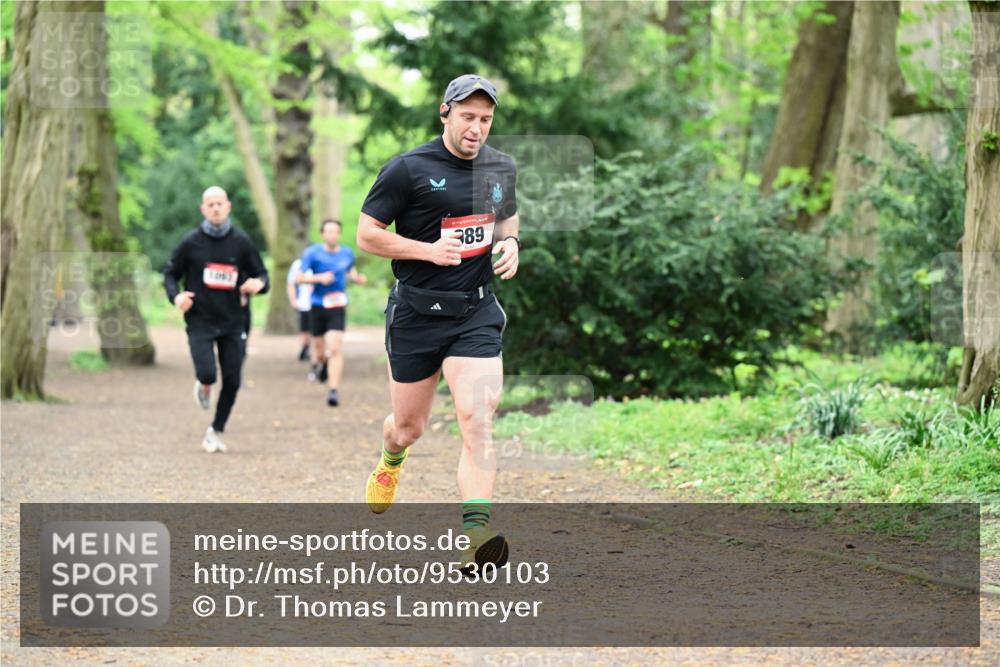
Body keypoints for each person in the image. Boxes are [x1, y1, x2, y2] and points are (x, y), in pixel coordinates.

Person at [356, 74, 520, 572]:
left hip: (474, 310)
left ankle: (476, 536)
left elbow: (506, 219)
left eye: (485, 119)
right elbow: (367, 235)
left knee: (478, 417)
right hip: (415, 314)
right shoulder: (408, 169)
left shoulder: (501, 168)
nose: (476, 128)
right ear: (444, 113)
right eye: (468, 117)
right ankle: (391, 458)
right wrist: (427, 250)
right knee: (409, 427)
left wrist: (511, 244)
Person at [163, 186, 269, 453]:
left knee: (233, 380)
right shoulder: (191, 242)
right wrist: (176, 297)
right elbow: (169, 274)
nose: (215, 208)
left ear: (228, 206)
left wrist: (258, 284)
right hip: (200, 320)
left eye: (219, 203)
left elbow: (263, 276)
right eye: (210, 204)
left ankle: (215, 431)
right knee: (208, 372)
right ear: (203, 209)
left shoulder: (241, 242)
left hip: (234, 322)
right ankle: (205, 383)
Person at [297, 219, 367, 406]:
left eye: (335, 231)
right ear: (322, 234)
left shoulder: (347, 253)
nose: (332, 235)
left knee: (335, 347)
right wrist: (319, 278)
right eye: (328, 231)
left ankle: (333, 390)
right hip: (318, 305)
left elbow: (349, 271)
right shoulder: (312, 253)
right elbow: (299, 277)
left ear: (339, 234)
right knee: (320, 352)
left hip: (337, 305)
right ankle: (324, 364)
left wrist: (356, 278)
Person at [287, 255, 313, 362]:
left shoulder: (319, 263)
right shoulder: (298, 264)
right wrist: (293, 300)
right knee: (304, 327)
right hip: (303, 302)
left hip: (317, 303)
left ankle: (310, 348)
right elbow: (291, 283)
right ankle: (305, 347)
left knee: (314, 328)